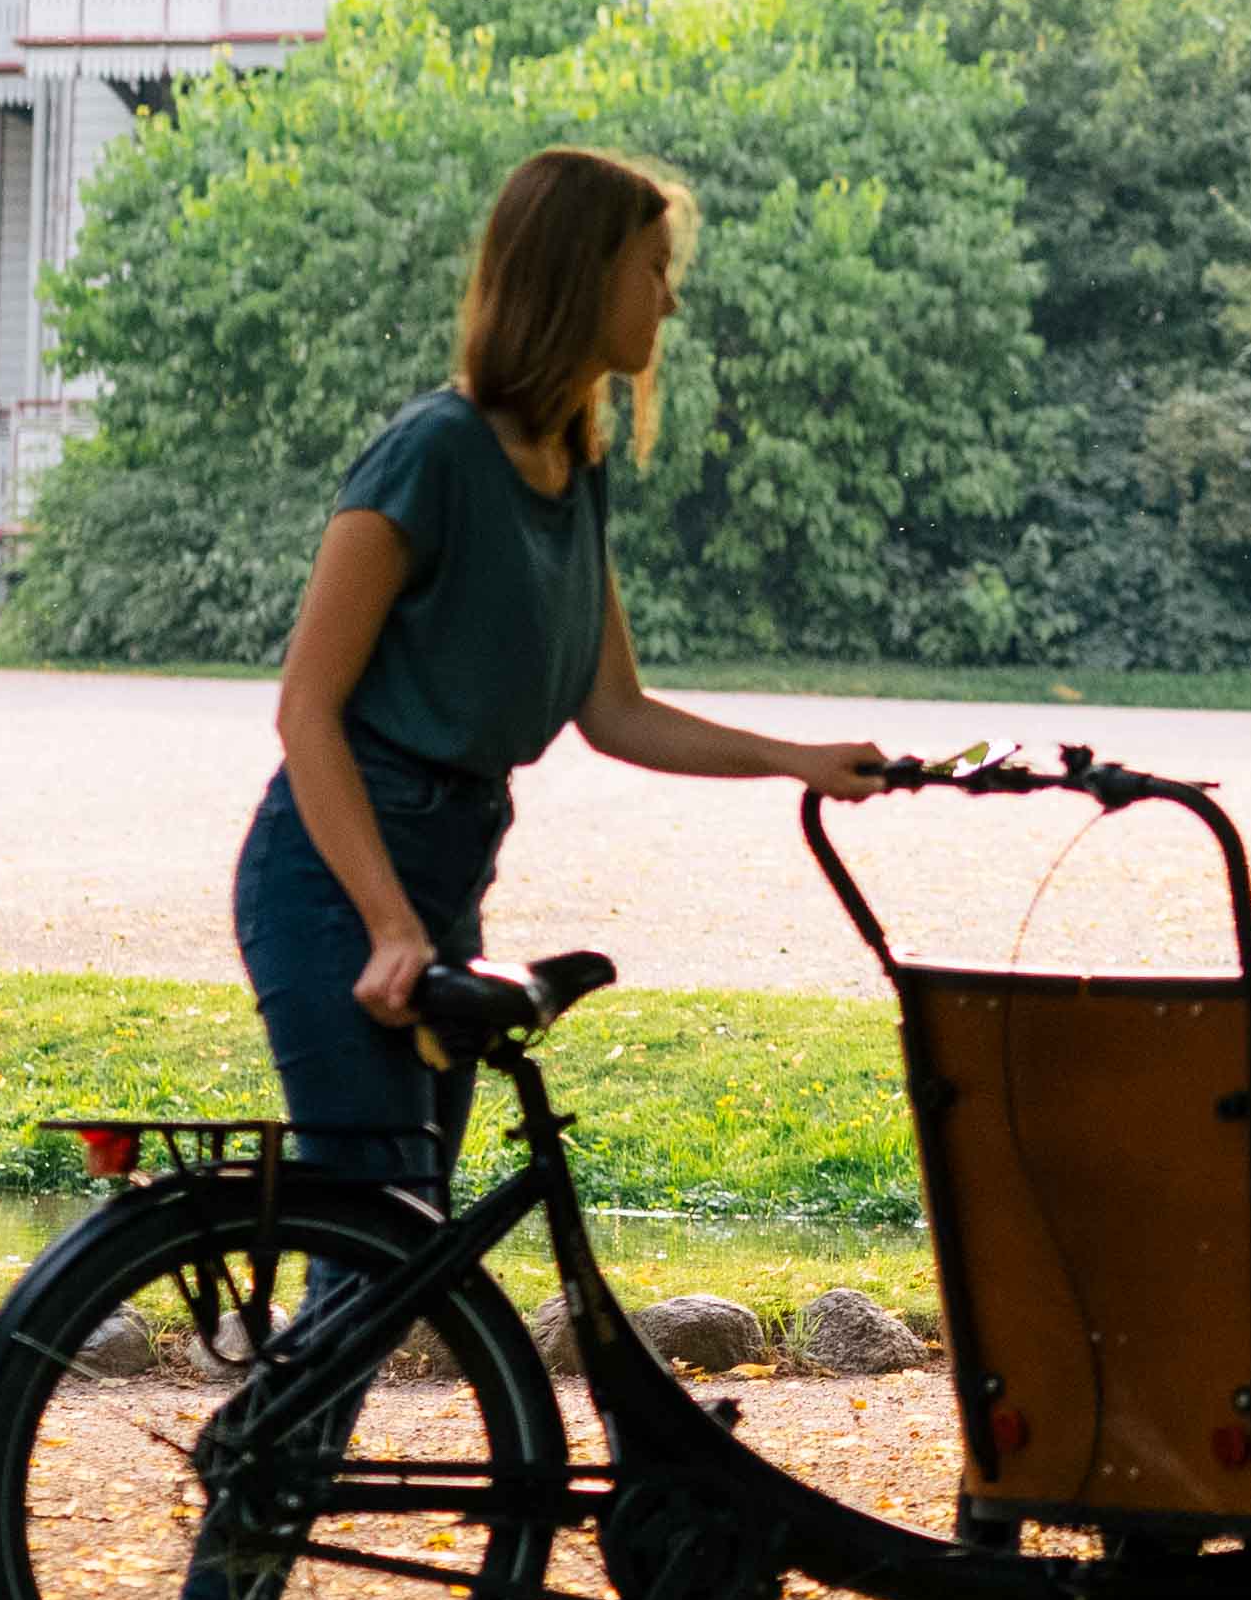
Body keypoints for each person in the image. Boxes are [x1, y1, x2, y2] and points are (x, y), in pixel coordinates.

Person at [245, 141, 919, 1197]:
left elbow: (615, 711)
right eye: (653, 269)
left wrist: (802, 759)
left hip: (445, 873)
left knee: (402, 1242)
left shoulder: (571, 465)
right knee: (377, 1236)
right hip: (335, 885)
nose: (670, 300)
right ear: (580, 272)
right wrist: (388, 923)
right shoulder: (429, 454)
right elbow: (306, 713)